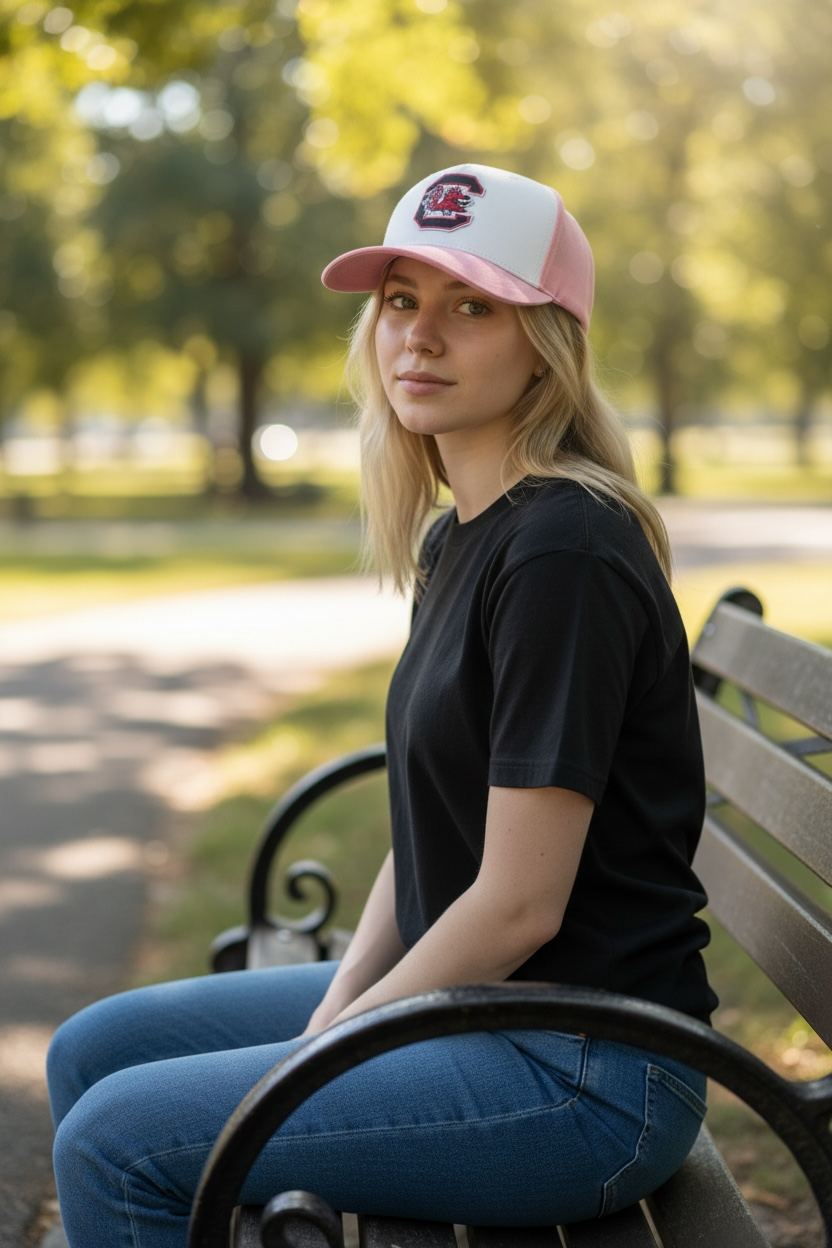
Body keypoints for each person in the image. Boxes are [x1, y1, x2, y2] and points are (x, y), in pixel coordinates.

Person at [47, 164, 716, 1247]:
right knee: (91, 1050)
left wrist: (330, 1050)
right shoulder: (463, 534)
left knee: (115, 1139)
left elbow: (517, 907)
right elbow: (433, 832)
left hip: (586, 1072)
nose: (421, 338)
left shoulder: (563, 553)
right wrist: (333, 1016)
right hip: (505, 1014)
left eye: (471, 307)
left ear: (544, 339)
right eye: (401, 303)